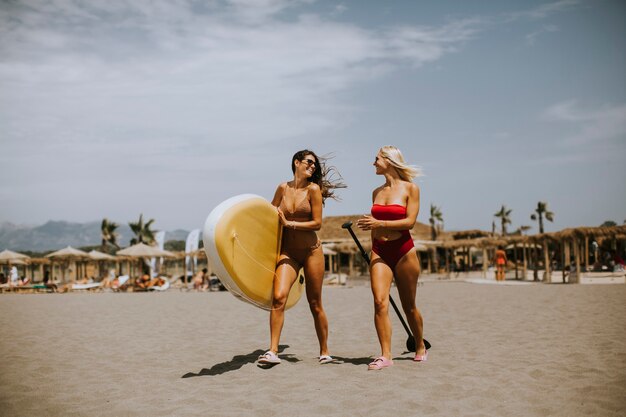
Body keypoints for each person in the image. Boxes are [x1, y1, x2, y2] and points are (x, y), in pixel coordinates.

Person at [257, 149, 344, 365]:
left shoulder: (313, 189)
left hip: (311, 251)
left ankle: (324, 351)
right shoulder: (282, 188)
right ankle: (273, 351)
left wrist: (290, 224)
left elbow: (317, 223)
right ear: (297, 162)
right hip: (289, 253)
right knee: (278, 297)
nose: (313, 166)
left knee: (315, 303)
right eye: (309, 162)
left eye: (315, 165)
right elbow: (270, 215)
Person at [356, 145, 427, 370]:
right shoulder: (376, 192)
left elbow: (409, 222)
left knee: (409, 306)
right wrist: (373, 237)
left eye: (376, 159)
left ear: (388, 160)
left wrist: (379, 223)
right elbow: (375, 226)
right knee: (379, 302)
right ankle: (386, 355)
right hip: (380, 251)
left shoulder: (411, 189)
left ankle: (419, 345)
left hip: (404, 251)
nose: (373, 163)